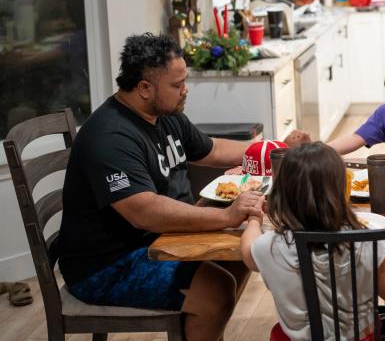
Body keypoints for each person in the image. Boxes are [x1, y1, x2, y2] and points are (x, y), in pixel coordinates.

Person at [59, 33, 309, 341]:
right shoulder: (110, 137)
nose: (185, 90)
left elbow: (212, 150)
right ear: (144, 88)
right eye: (177, 85)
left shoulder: (163, 115)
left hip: (155, 239)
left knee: (242, 258)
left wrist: (279, 149)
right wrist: (227, 216)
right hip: (106, 265)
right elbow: (144, 212)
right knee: (216, 291)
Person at [241, 142, 385, 341]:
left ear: (281, 192)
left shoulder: (268, 246)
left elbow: (247, 251)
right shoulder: (365, 240)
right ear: (339, 191)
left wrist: (254, 218)